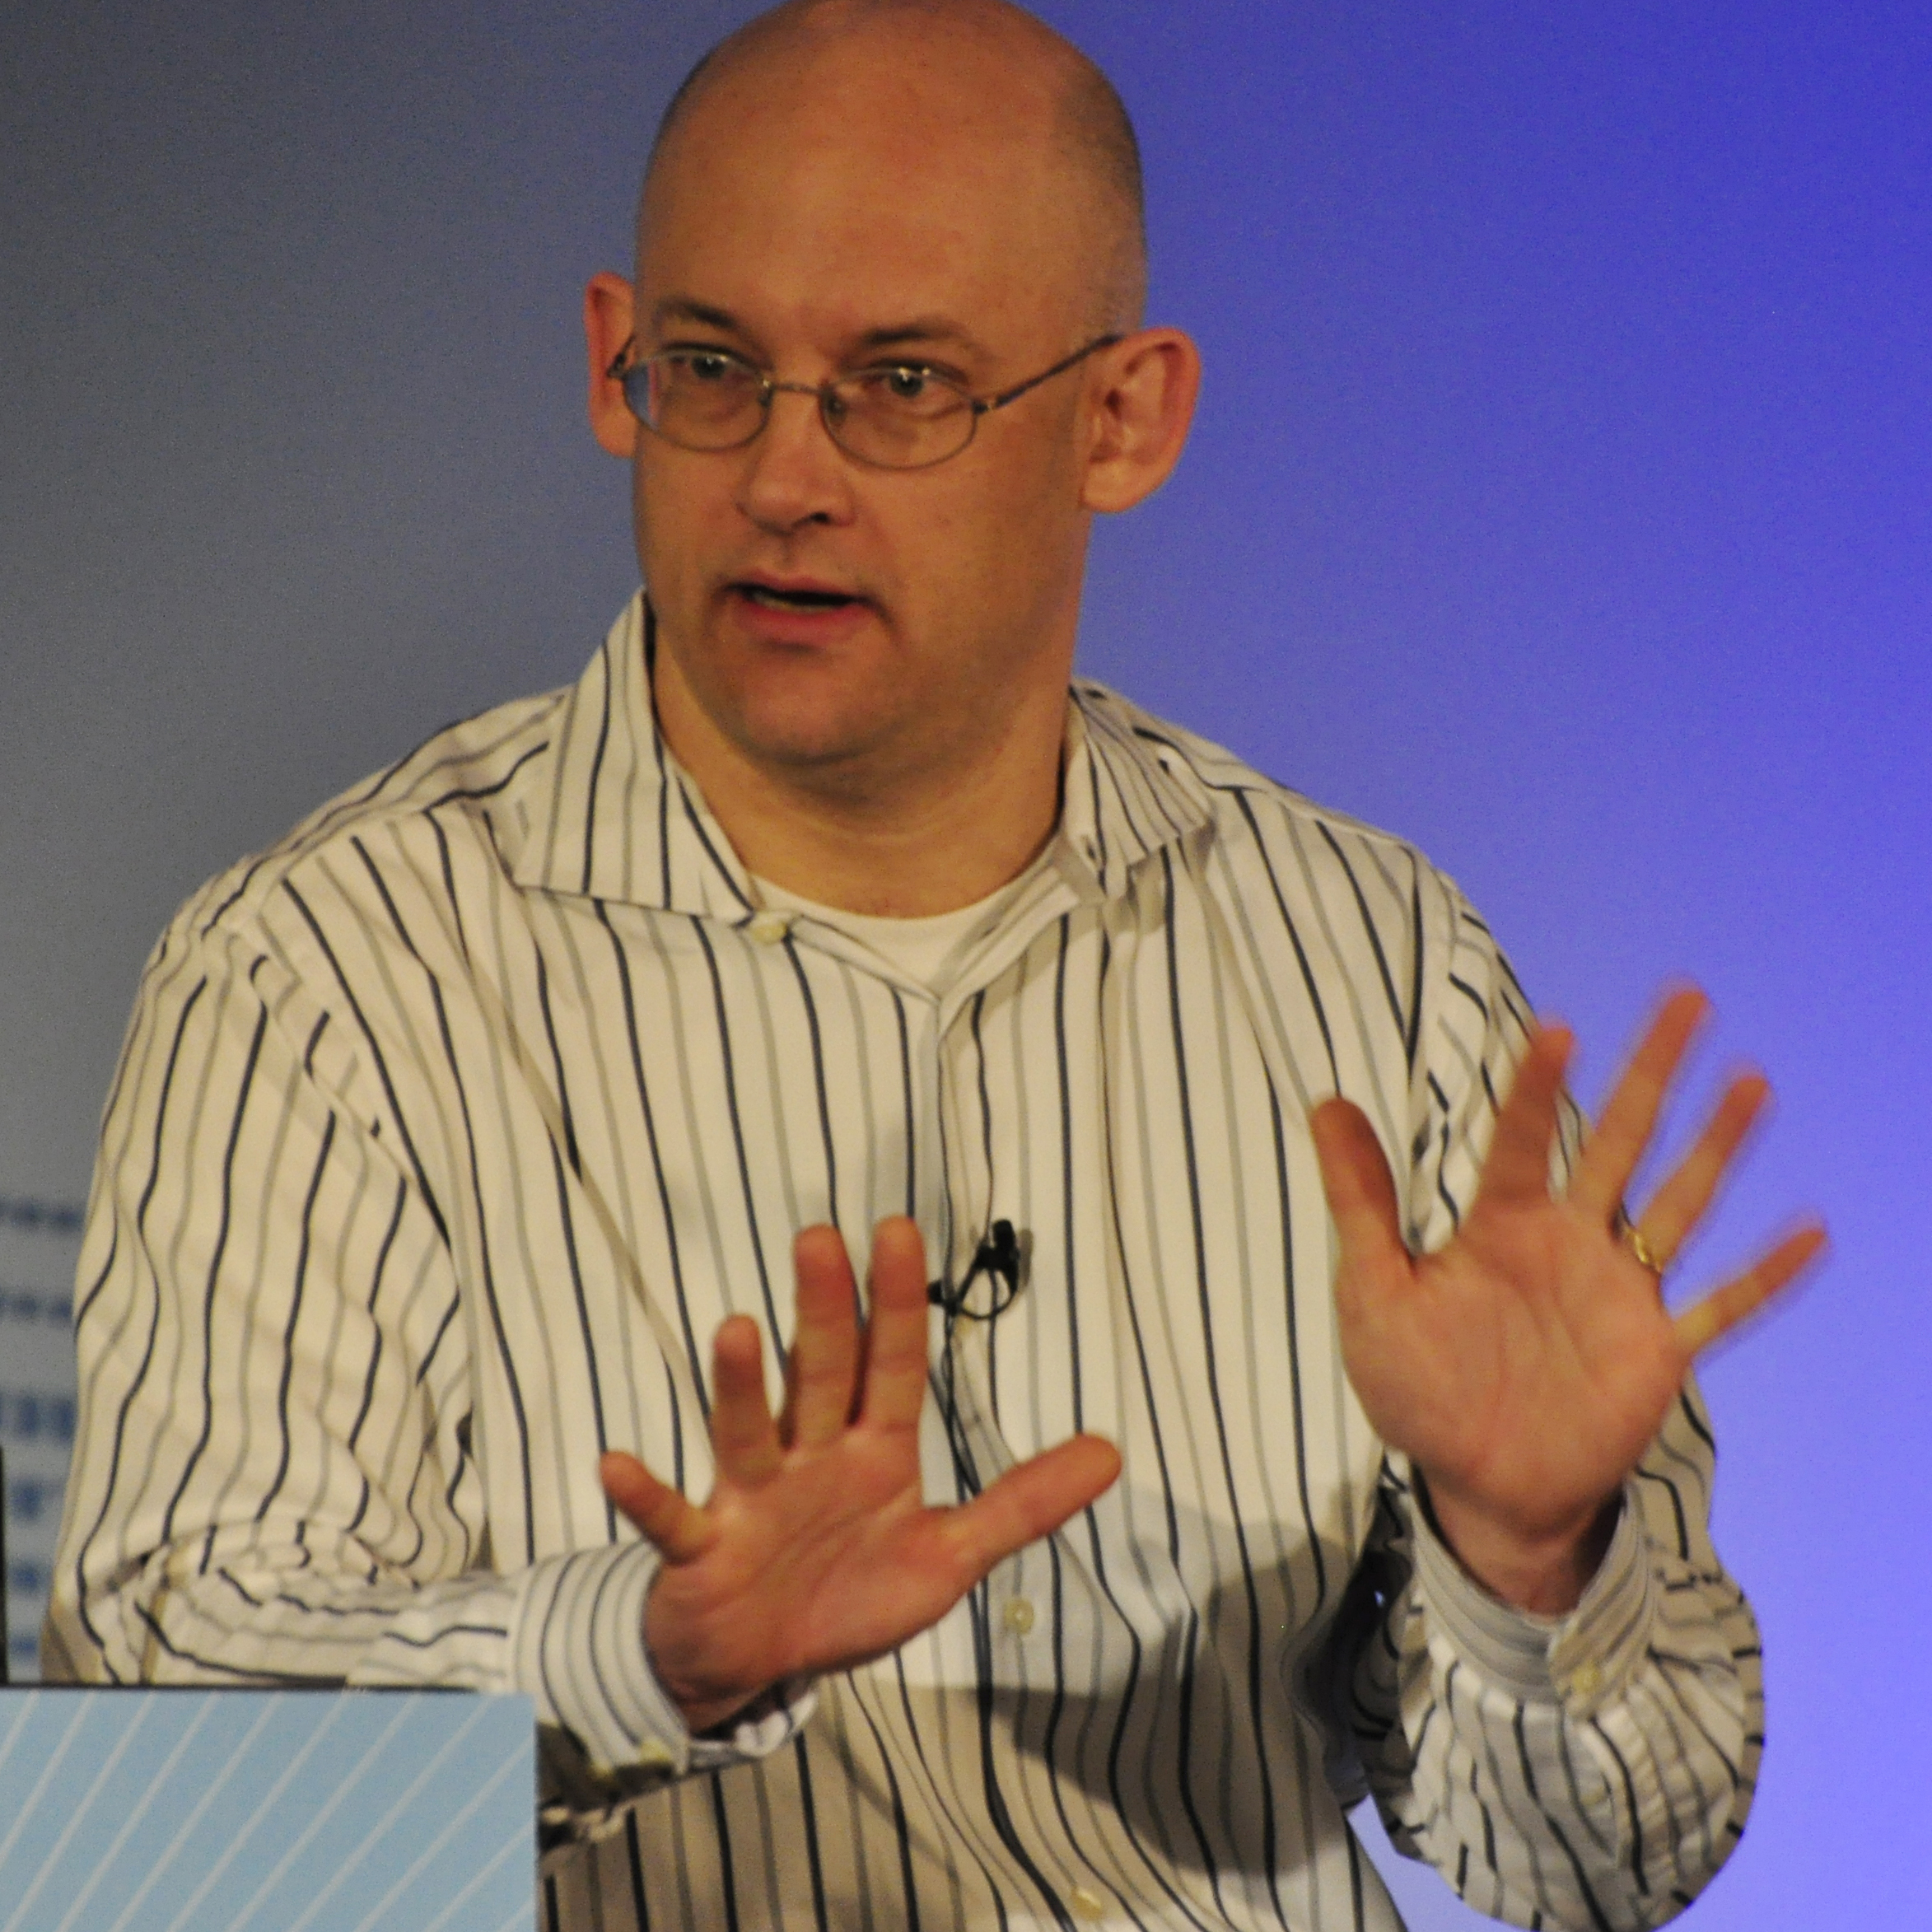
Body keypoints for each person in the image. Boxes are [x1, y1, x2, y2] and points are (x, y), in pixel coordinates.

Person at [47, 2, 1823, 1927]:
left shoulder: (1369, 967)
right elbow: (161, 1847)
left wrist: (1524, 1556)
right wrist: (644, 1657)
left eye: (903, 384)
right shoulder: (329, 981)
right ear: (608, 364)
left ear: (1124, 418)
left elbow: (1607, 1865)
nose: (784, 477)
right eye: (713, 368)